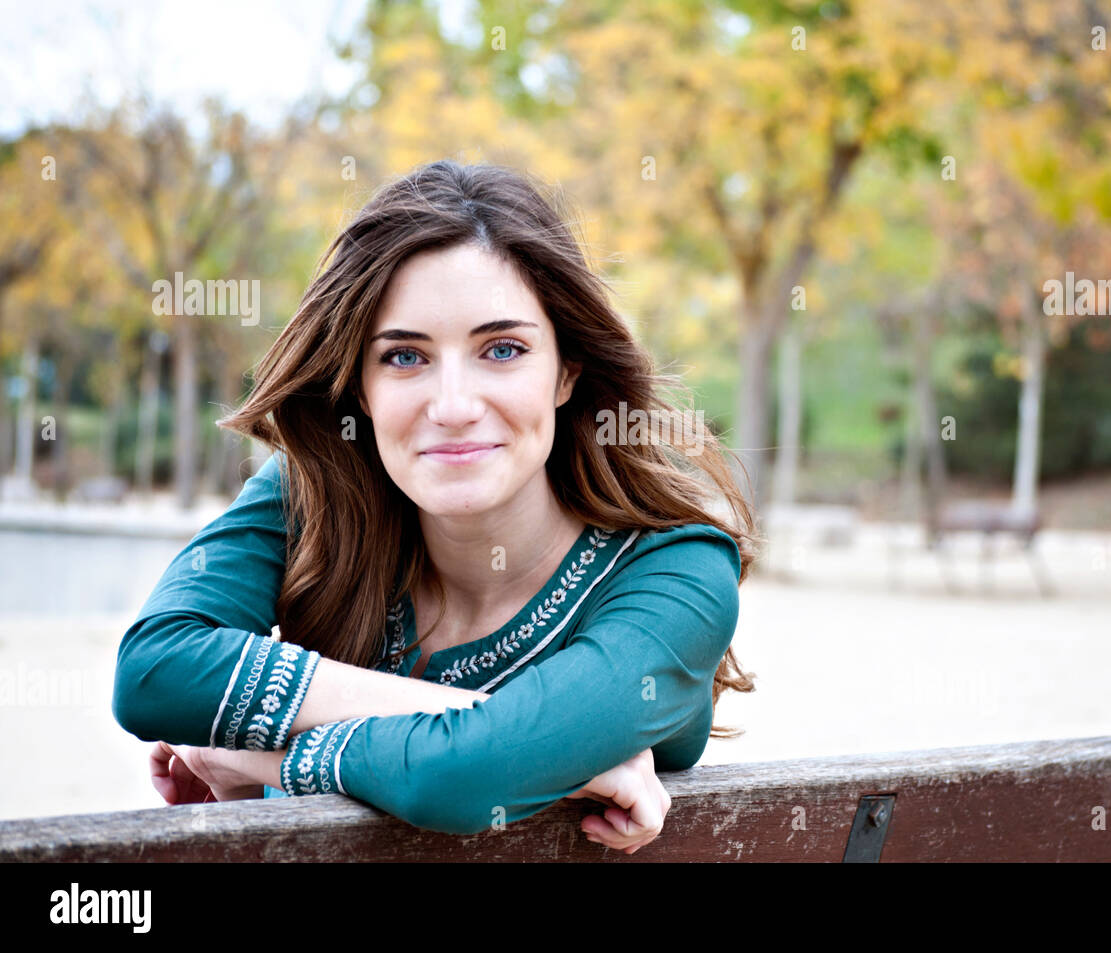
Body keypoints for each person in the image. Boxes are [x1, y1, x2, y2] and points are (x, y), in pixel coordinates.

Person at [113, 159, 760, 854]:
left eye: (503, 349)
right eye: (404, 358)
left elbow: (472, 776)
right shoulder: (315, 488)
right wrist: (487, 722)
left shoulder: (682, 574)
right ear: (358, 385)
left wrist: (258, 759)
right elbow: (155, 669)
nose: (452, 407)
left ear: (567, 369)